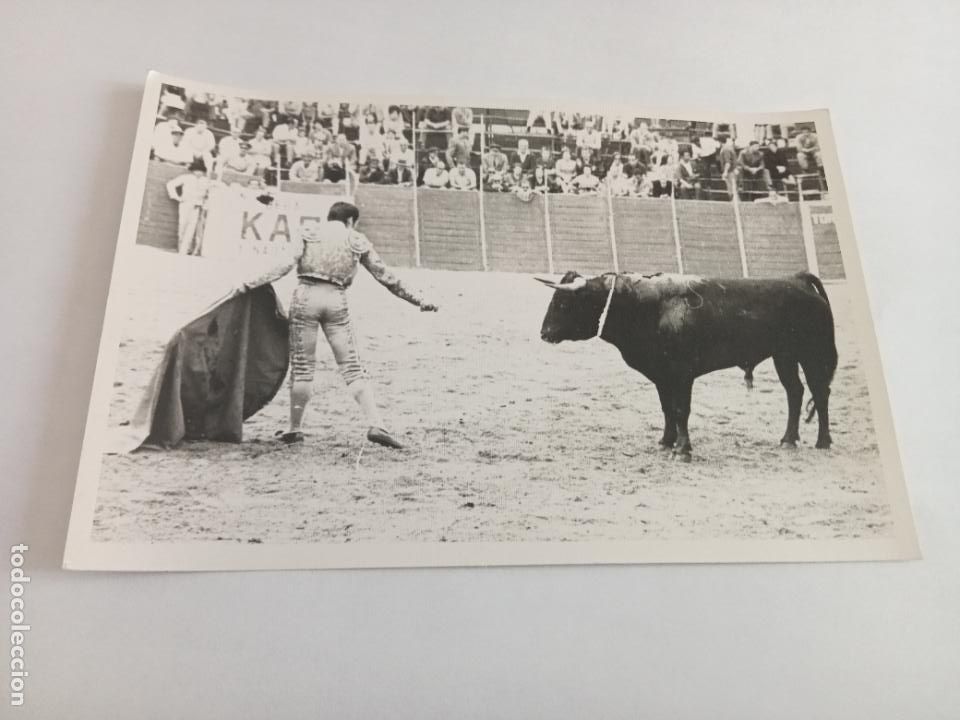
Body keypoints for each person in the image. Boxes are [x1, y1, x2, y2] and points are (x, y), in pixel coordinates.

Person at [240, 201, 438, 448]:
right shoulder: (356, 239)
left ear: (330, 217)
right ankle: (377, 423)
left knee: (302, 368)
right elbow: (387, 277)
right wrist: (419, 299)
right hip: (335, 300)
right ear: (350, 221)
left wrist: (250, 284)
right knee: (352, 368)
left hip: (305, 298)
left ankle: (294, 428)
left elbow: (283, 265)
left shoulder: (309, 233)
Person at [165, 158, 210, 255]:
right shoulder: (186, 177)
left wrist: (204, 203)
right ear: (193, 170)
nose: (199, 173)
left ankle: (185, 250)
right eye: (197, 170)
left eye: (201, 171)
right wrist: (176, 197)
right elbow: (170, 184)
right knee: (182, 226)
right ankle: (181, 247)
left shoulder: (206, 181)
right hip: (185, 204)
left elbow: (208, 193)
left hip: (197, 206)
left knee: (191, 228)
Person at [718, 135, 738, 200]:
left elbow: (728, 162)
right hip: (732, 171)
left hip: (730, 172)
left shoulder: (725, 149)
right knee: (732, 189)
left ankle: (735, 205)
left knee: (731, 190)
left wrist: (725, 172)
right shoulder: (728, 147)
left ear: (719, 142)